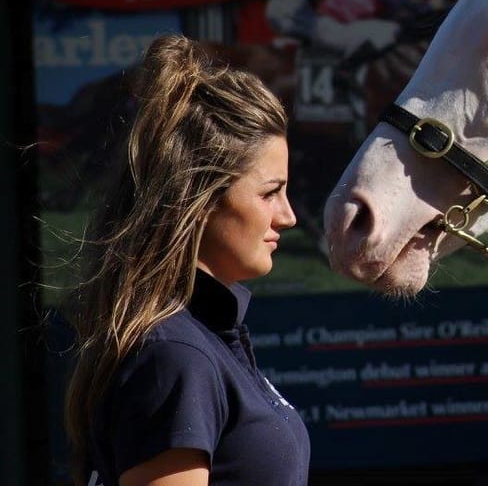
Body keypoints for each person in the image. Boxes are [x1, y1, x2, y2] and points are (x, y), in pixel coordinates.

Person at [63, 34, 310, 486]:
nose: (288, 216)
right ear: (199, 200)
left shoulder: (197, 341)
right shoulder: (175, 356)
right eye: (270, 192)